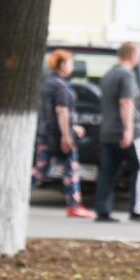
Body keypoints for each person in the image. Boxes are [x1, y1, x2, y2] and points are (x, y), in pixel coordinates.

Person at [95, 42, 140, 224]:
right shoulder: (127, 76)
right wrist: (129, 130)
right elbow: (126, 103)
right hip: (126, 133)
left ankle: (102, 212)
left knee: (107, 172)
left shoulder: (108, 75)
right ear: (132, 56)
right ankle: (138, 211)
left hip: (107, 133)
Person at [32, 49, 94, 218]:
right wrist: (67, 136)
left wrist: (73, 128)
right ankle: (74, 206)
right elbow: (61, 111)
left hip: (46, 134)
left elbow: (50, 113)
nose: (72, 67)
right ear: (62, 64)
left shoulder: (48, 84)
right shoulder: (60, 86)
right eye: (71, 63)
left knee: (40, 170)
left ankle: (15, 195)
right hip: (59, 136)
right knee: (71, 170)